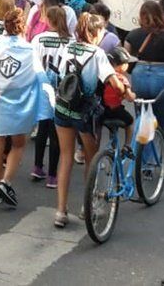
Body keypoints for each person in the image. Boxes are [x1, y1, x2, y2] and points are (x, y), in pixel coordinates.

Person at [50, 13, 117, 227]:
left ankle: (61, 210)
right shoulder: (97, 53)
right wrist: (126, 90)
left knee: (66, 157)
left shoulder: (67, 47)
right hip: (85, 111)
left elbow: (58, 74)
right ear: (96, 33)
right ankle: (87, 206)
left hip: (63, 106)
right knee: (91, 158)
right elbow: (111, 82)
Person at [0, 5, 47, 208]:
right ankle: (5, 182)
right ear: (22, 27)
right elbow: (38, 75)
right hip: (18, 103)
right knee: (19, 144)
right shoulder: (29, 49)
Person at [123, 1, 164, 169]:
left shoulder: (133, 35)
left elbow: (124, 59)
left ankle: (144, 164)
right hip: (163, 78)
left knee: (143, 119)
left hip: (139, 77)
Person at [30, 6, 72, 188]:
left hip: (41, 87)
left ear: (49, 20)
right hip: (61, 90)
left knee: (42, 129)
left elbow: (31, 63)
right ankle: (53, 175)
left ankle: (38, 166)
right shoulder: (69, 41)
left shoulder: (38, 39)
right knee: (56, 132)